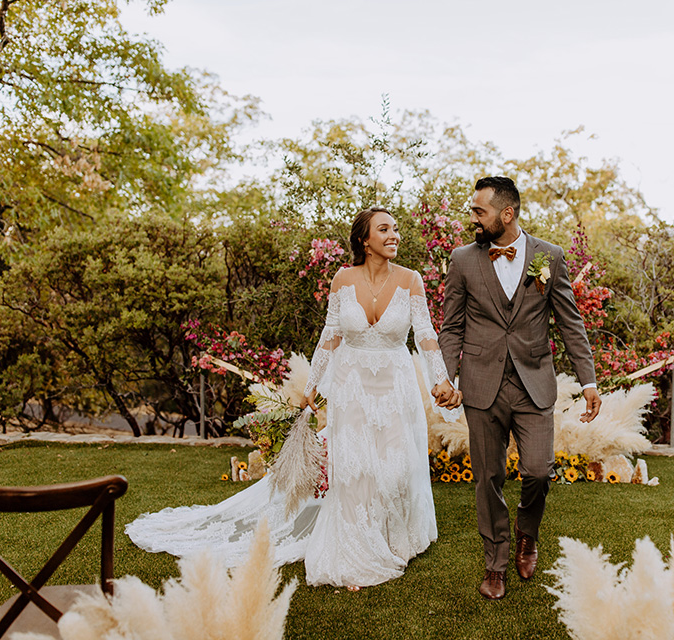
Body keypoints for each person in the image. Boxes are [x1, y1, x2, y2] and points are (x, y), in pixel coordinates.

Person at [127, 206, 454, 590]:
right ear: (365, 240)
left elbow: (427, 335)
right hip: (351, 387)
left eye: (395, 229)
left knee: (395, 466)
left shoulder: (411, 280)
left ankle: (394, 536)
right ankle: (358, 548)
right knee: (356, 470)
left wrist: (441, 380)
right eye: (384, 229)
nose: (394, 235)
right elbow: (330, 336)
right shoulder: (342, 279)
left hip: (394, 388)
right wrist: (312, 385)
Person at [435, 176, 601, 600]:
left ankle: (528, 533)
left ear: (506, 214)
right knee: (488, 478)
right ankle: (496, 564)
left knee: (539, 471)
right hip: (481, 384)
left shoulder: (550, 257)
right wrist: (447, 375)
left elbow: (569, 321)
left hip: (533, 383)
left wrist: (588, 381)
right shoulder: (462, 260)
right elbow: (452, 325)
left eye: (479, 211)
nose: (473, 217)